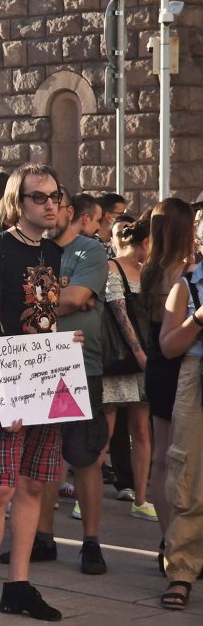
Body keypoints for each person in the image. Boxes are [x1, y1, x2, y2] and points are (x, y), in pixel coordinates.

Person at [0, 164, 66, 626]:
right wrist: (2, 392)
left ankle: (18, 587)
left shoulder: (52, 252)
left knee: (32, 486)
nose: (50, 204)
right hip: (7, 380)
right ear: (18, 203)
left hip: (47, 377)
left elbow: (43, 316)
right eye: (39, 197)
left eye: (55, 196)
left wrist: (65, 347)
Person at [10, 189, 108, 575]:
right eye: (41, 201)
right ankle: (43, 538)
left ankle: (91, 542)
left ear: (71, 212)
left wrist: (44, 299)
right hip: (38, 363)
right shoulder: (30, 249)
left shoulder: (90, 250)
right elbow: (27, 299)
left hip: (83, 364)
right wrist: (61, 297)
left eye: (57, 204)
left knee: (84, 456)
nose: (50, 209)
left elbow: (81, 295)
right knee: (42, 455)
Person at [142, 199, 196, 542]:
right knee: (184, 456)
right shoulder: (186, 273)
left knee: (162, 456)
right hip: (183, 360)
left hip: (158, 365)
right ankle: (180, 541)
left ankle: (167, 539)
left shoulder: (149, 268)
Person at [156, 252, 203, 609]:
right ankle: (182, 572)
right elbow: (168, 347)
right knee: (188, 476)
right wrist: (199, 318)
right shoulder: (187, 286)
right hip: (196, 377)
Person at [101, 216, 155, 520]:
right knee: (106, 430)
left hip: (142, 361)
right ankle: (86, 495)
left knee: (142, 430)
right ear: (144, 242)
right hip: (121, 360)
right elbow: (120, 315)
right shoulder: (113, 267)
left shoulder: (148, 272)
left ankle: (142, 497)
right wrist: (140, 354)